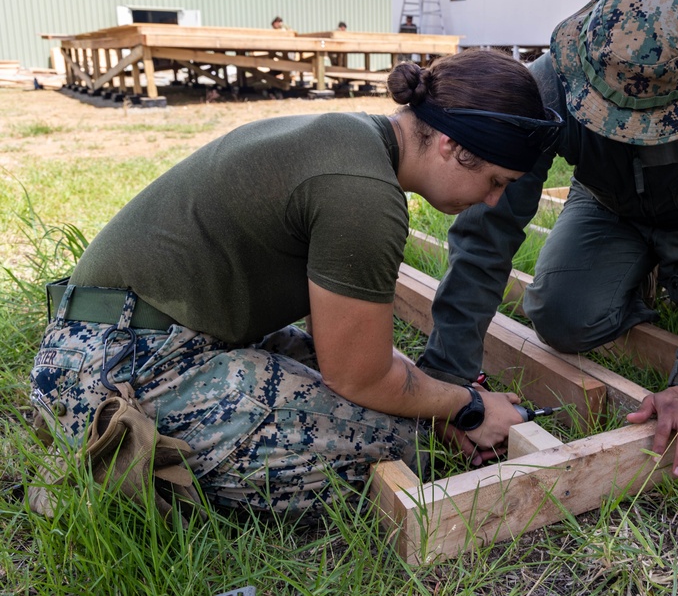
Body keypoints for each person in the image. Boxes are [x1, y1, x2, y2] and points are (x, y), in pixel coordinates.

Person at [29, 49, 564, 515]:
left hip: (123, 337)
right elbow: (358, 377)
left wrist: (445, 397)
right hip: (117, 370)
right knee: (406, 444)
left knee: (406, 409)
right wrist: (465, 408)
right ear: (452, 146)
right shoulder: (365, 194)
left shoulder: (355, 141)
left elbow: (350, 352)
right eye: (495, 181)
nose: (493, 200)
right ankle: (109, 447)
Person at [417, 0, 678, 480]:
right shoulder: (549, 82)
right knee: (561, 318)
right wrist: (449, 378)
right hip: (607, 208)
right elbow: (488, 230)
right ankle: (643, 278)